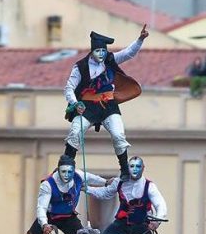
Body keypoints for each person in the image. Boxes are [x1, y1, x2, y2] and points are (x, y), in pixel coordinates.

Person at [63, 25, 149, 180]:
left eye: (103, 51)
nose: (101, 54)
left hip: (108, 105)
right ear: (92, 51)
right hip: (87, 106)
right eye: (98, 51)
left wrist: (140, 39)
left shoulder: (110, 60)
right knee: (76, 132)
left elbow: (129, 53)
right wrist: (75, 103)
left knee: (118, 134)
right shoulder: (80, 67)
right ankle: (66, 163)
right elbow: (69, 88)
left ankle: (124, 169)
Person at [27, 155, 108, 234]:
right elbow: (42, 207)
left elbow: (92, 178)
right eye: (63, 171)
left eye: (70, 172)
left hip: (69, 217)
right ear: (58, 170)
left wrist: (106, 182)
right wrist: (44, 224)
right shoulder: (47, 184)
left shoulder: (79, 175)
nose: (66, 175)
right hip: (50, 216)